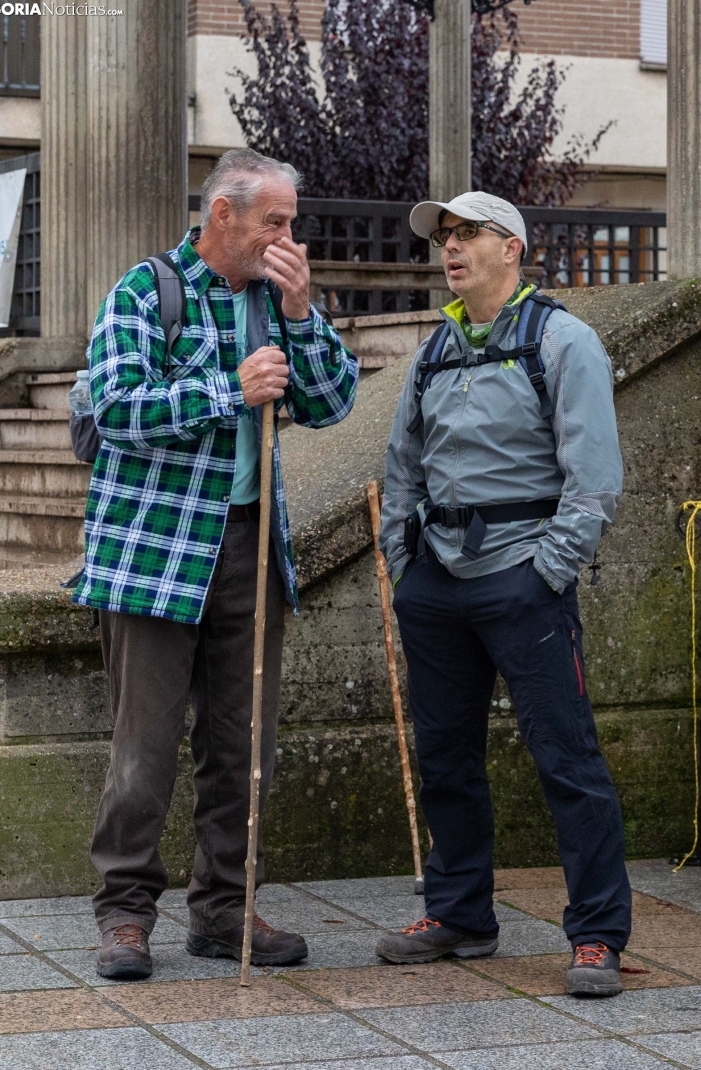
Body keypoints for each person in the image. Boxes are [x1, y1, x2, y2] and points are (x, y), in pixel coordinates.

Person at [73, 148, 358, 980]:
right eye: (276, 221)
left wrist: (304, 317)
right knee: (144, 749)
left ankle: (225, 910)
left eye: (292, 222)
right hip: (154, 548)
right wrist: (229, 391)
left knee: (244, 747)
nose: (288, 236)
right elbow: (116, 407)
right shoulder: (144, 290)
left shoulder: (279, 298)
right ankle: (124, 914)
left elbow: (335, 403)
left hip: (249, 544)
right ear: (222, 216)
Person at [377, 191, 630, 998]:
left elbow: (594, 480)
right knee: (445, 756)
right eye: (444, 237)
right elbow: (400, 464)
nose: (450, 248)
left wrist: (546, 573)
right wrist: (403, 565)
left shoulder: (564, 341)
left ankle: (597, 935)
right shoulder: (434, 349)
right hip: (436, 585)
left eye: (467, 234)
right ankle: (461, 915)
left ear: (512, 247)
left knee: (567, 758)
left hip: (524, 581)